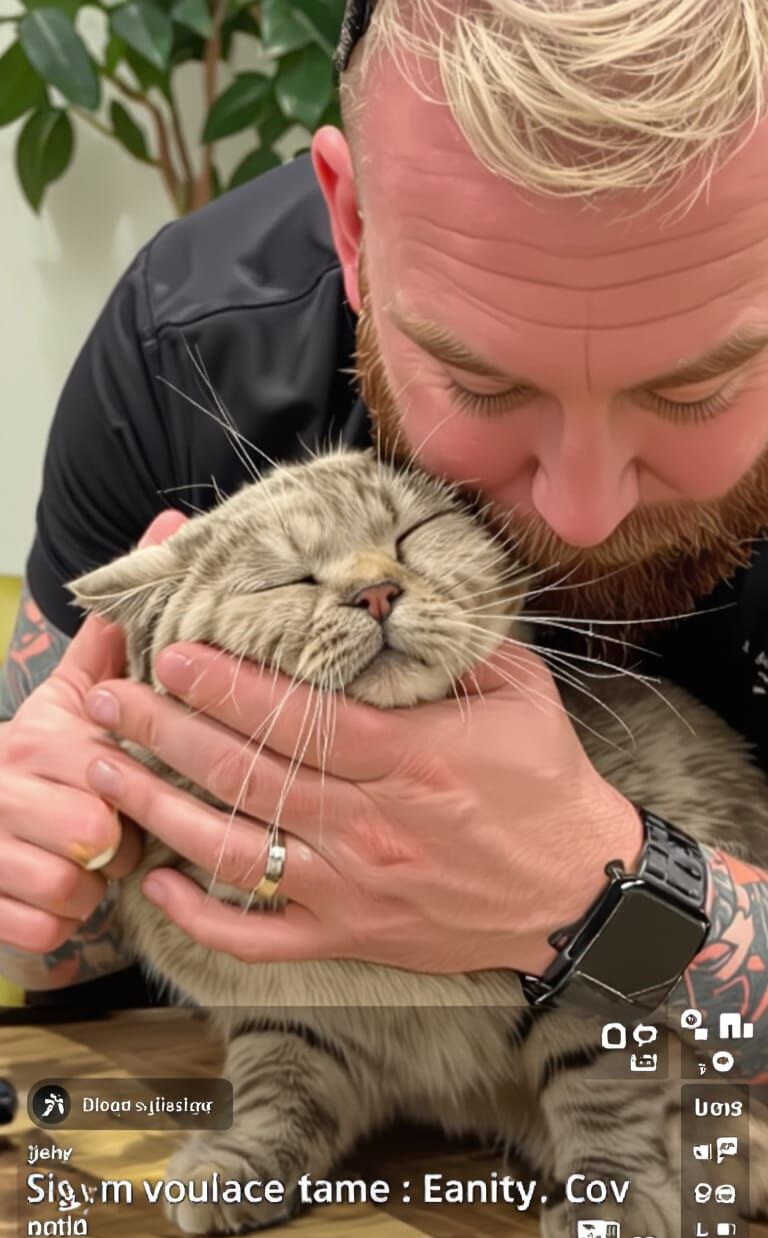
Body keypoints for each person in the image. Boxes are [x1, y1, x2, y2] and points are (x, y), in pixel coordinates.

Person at [0, 0, 766, 1078]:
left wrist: (596, 896)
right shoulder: (189, 353)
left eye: (697, 388)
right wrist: (65, 852)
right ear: (352, 229)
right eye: (482, 381)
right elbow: (51, 955)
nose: (581, 510)